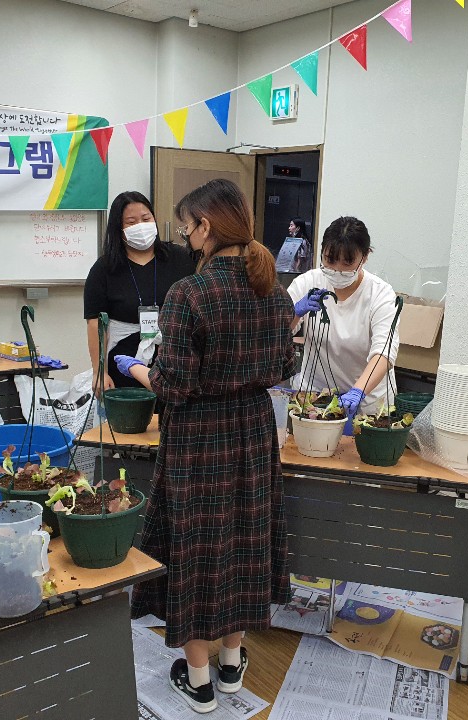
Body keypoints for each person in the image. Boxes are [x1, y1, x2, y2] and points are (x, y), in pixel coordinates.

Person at [115, 179, 299, 713]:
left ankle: (198, 681)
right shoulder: (275, 292)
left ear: (206, 226)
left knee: (194, 549)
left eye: (186, 227)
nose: (184, 237)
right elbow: (284, 367)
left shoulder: (189, 294)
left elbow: (172, 385)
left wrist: (135, 368)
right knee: (244, 542)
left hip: (198, 436)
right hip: (254, 431)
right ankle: (232, 664)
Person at [288, 216, 400, 430]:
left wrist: (358, 391)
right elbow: (277, 333)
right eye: (330, 260)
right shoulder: (307, 283)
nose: (337, 269)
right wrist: (293, 313)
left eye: (347, 263)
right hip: (316, 400)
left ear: (365, 257)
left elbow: (384, 353)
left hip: (368, 405)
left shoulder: (380, 294)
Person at [83, 191, 196, 393]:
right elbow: (96, 323)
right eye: (131, 222)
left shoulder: (180, 258)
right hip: (122, 365)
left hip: (174, 361)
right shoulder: (104, 268)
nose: (141, 226)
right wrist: (99, 372)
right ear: (118, 228)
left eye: (146, 219)